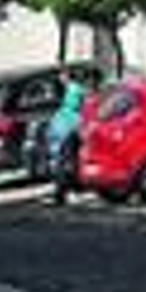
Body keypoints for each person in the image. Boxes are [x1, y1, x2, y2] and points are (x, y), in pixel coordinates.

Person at [46, 78, 87, 206]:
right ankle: (69, 192)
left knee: (63, 164)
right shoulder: (76, 94)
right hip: (69, 133)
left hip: (64, 136)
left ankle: (64, 193)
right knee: (70, 163)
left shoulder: (63, 112)